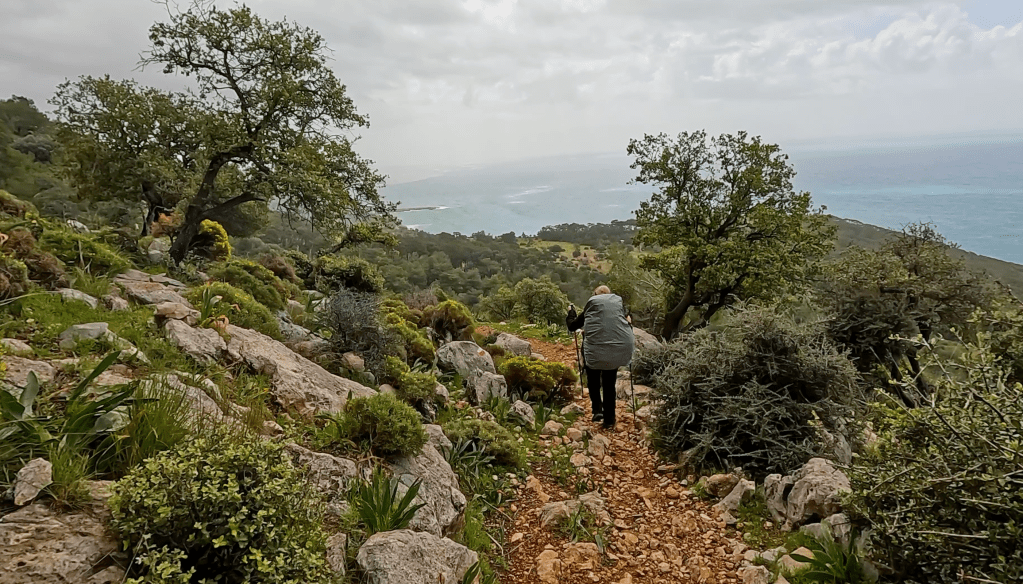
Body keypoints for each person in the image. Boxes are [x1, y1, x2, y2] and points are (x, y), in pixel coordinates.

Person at [566, 285, 635, 430]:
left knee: (593, 381)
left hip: (594, 353)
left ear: (595, 296)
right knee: (609, 385)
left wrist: (571, 313)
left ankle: (597, 410)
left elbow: (572, 326)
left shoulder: (590, 309)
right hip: (614, 352)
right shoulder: (619, 308)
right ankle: (609, 420)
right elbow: (626, 325)